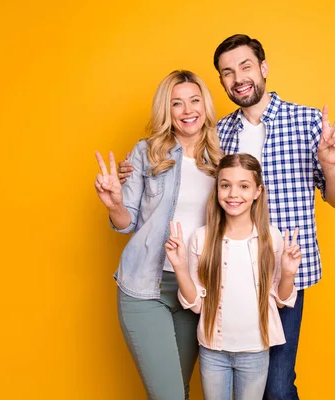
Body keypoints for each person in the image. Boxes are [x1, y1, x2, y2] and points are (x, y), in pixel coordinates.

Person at [118, 34, 335, 399]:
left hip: (282, 273)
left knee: (276, 386)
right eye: (227, 72)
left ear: (263, 68)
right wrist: (131, 173)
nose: (238, 78)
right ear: (222, 82)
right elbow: (183, 168)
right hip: (225, 276)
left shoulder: (307, 122)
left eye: (245, 66)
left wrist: (330, 166)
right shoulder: (219, 135)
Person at [94, 70, 222, 399]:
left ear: (205, 105)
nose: (187, 110)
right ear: (166, 110)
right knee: (169, 396)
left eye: (194, 100)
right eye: (176, 103)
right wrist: (115, 204)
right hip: (145, 287)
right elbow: (125, 223)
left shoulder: (222, 158)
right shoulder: (146, 152)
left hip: (195, 291)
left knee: (178, 389)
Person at [164, 153, 301, 400]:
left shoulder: (271, 237)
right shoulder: (201, 238)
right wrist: (180, 267)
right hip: (213, 351)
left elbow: (280, 300)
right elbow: (195, 305)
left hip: (256, 351)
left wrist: (289, 273)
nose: (233, 194)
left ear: (258, 191)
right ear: (217, 189)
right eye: (225, 185)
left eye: (244, 186)